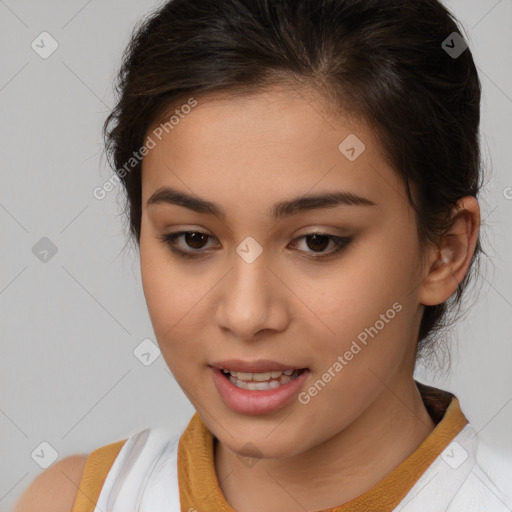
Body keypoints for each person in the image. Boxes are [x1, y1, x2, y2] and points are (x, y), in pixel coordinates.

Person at [14, 0, 512, 510]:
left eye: (317, 241)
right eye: (193, 239)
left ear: (444, 253)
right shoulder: (76, 500)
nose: (247, 314)